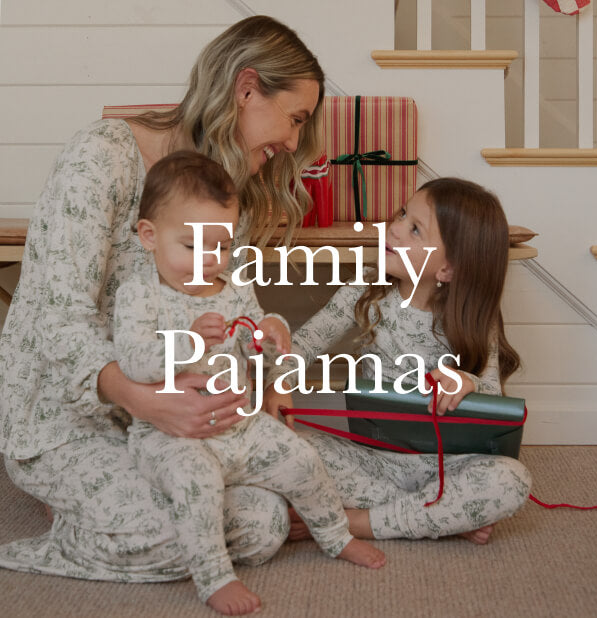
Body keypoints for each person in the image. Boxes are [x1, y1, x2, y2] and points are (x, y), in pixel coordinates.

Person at [0, 15, 327, 584]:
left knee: (265, 522)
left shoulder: (228, 196)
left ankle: (108, 519)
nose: (294, 143)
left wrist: (267, 382)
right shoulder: (102, 156)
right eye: (295, 119)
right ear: (246, 88)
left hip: (167, 428)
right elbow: (57, 319)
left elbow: (234, 313)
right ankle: (70, 534)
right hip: (70, 418)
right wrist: (143, 400)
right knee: (174, 528)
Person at [114, 151, 385, 614]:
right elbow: (136, 363)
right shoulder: (139, 295)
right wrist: (189, 343)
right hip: (172, 437)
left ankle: (335, 535)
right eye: (192, 247)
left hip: (241, 427)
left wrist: (270, 335)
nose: (207, 262)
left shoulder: (233, 285)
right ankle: (214, 576)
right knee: (194, 483)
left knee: (302, 458)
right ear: (149, 237)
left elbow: (251, 336)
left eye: (219, 247)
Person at [265, 178, 533, 546]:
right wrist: (276, 381)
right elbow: (306, 344)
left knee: (511, 480)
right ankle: (440, 516)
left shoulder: (472, 320)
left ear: (448, 270)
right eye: (403, 213)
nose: (394, 227)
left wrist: (467, 382)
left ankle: (351, 522)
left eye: (415, 229)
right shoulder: (367, 289)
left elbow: (491, 399)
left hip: (447, 467)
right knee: (278, 447)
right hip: (371, 462)